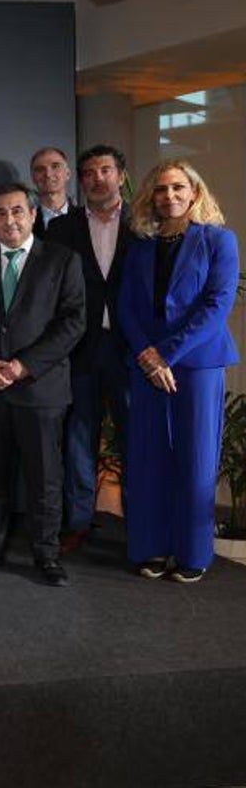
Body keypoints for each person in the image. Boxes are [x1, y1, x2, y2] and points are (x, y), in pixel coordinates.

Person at [0, 182, 85, 587]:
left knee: (45, 477)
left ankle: (46, 555)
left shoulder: (62, 260)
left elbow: (73, 322)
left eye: (18, 211)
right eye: (2, 213)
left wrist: (24, 365)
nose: (10, 220)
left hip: (39, 389)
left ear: (33, 215)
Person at [118, 160, 238, 583]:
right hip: (147, 365)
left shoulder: (219, 241)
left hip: (197, 365)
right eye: (161, 189)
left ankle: (192, 555)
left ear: (195, 193)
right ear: (151, 196)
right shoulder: (140, 247)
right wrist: (148, 357)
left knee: (195, 460)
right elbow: (127, 309)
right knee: (149, 459)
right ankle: (151, 548)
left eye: (178, 188)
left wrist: (165, 354)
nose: (169, 196)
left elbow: (217, 305)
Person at [47, 145, 132, 552]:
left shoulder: (144, 225)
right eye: (89, 173)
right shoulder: (62, 230)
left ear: (121, 175)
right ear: (80, 181)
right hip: (80, 349)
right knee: (79, 438)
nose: (98, 178)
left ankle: (141, 521)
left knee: (136, 437)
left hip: (132, 350)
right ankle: (78, 522)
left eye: (105, 170)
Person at [29, 146, 74, 235]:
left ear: (68, 174)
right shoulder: (26, 223)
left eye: (55, 166)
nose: (48, 174)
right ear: (33, 178)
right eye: (40, 169)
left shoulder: (86, 219)